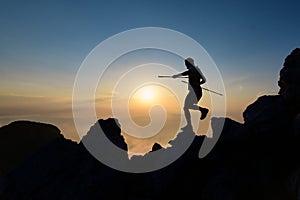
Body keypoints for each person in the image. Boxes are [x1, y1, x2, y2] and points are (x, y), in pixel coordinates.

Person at [172, 57, 209, 129]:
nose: (186, 65)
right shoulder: (197, 70)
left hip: (195, 92)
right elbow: (204, 80)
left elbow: (187, 72)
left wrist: (177, 75)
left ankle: (202, 111)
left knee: (186, 107)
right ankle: (202, 111)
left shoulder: (192, 69)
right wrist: (198, 83)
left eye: (186, 64)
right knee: (187, 107)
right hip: (197, 91)